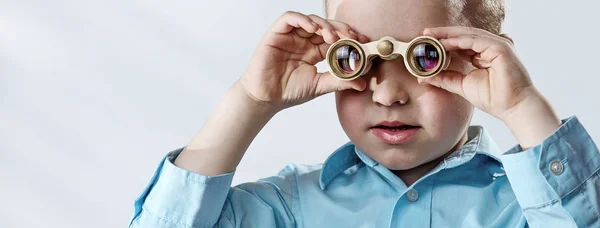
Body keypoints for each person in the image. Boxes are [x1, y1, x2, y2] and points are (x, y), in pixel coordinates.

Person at [129, 0, 600, 227]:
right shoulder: (292, 206)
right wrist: (252, 100)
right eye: (356, 58)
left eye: (425, 58)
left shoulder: (528, 210)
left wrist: (521, 104)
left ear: (485, 59)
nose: (388, 94)